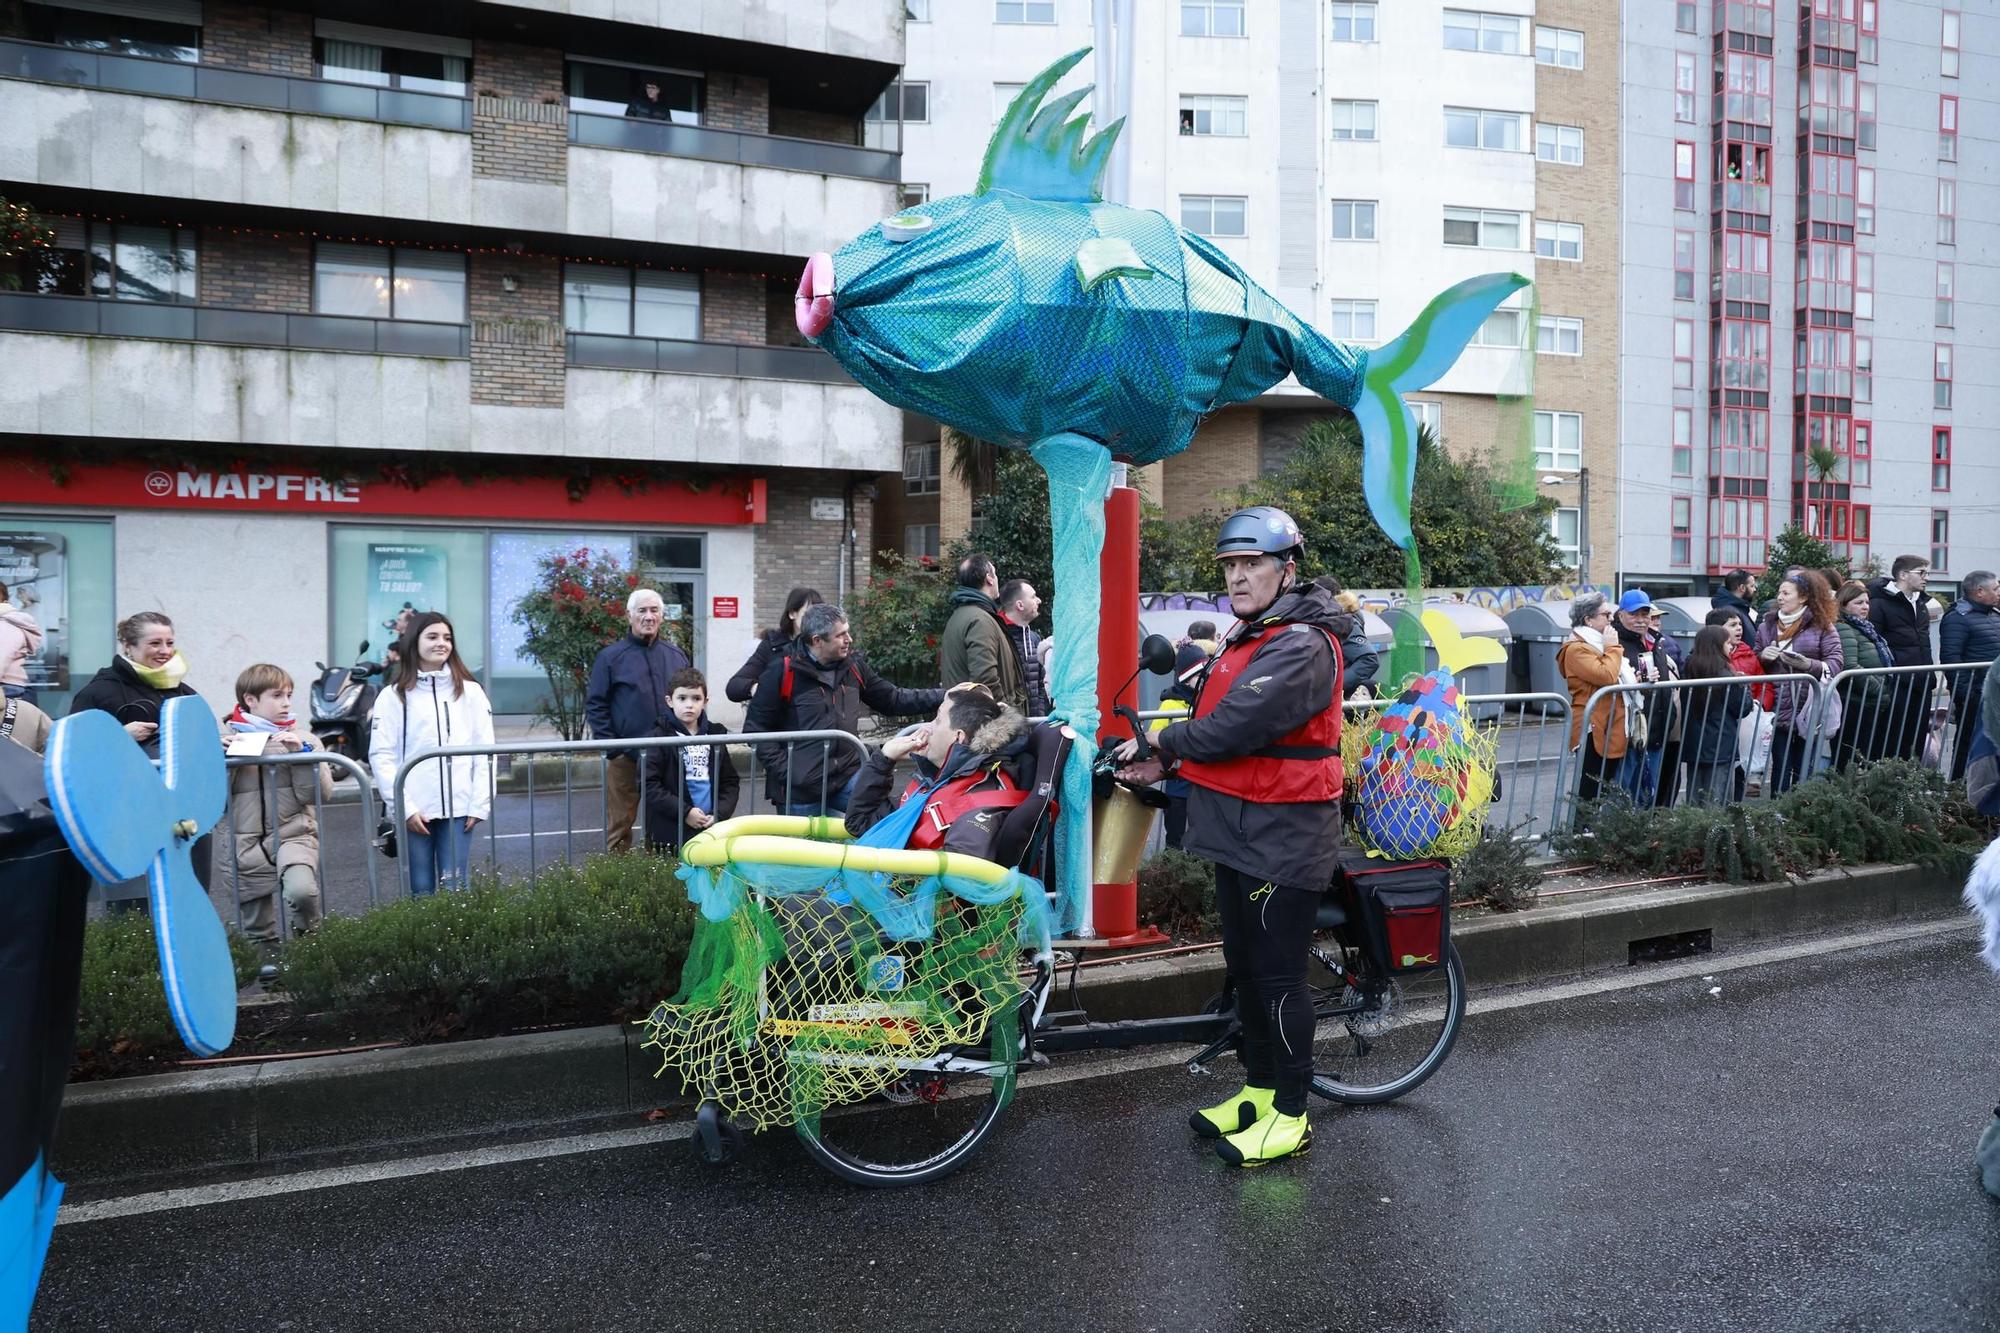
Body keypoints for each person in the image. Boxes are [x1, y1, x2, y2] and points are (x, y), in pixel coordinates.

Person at [1113, 506, 1349, 1168]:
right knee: (1246, 973)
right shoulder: (1252, 634)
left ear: (1286, 569)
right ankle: (1259, 1091)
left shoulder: (1301, 644)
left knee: (1278, 979)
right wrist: (1168, 759)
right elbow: (1218, 732)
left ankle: (1292, 1113)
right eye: (1232, 567)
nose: (1239, 578)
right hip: (1241, 829)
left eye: (1253, 565)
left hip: (1284, 833)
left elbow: (1229, 728)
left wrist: (1163, 738)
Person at [745, 603, 945, 817]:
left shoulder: (854, 667)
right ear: (817, 641)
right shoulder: (782, 672)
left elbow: (893, 699)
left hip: (848, 778)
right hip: (800, 792)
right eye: (841, 635)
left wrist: (946, 695)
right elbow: (755, 729)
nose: (849, 639)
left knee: (880, 824)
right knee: (807, 848)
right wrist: (791, 772)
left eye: (847, 632)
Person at [69, 611, 211, 899]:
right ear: (128, 646)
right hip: (129, 818)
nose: (165, 651)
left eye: (170, 643)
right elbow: (73, 751)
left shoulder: (183, 692)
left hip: (185, 814)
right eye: (155, 643)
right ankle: (131, 945)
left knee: (189, 899)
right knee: (135, 908)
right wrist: (121, 736)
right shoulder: (97, 693)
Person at [369, 613, 493, 895]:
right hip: (416, 810)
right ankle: (426, 941)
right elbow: (381, 755)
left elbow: (486, 752)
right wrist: (404, 807)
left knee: (455, 887)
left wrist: (480, 803)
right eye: (433, 637)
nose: (442, 643)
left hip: (461, 807)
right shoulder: (392, 696)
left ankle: (457, 941)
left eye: (447, 638)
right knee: (421, 890)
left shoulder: (472, 693)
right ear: (415, 642)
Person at [844, 683, 1032, 862]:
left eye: (938, 720)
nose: (926, 727)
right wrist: (884, 759)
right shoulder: (938, 781)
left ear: (958, 737)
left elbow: (962, 879)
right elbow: (860, 822)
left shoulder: (982, 794)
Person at [223, 665, 329, 960]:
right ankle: (275, 985)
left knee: (301, 892)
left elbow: (320, 796)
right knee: (258, 928)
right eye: (277, 695)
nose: (286, 703)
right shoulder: (225, 740)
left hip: (294, 835)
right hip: (244, 844)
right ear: (250, 700)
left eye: (289, 695)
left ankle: (310, 961)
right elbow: (214, 802)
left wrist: (301, 756)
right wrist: (220, 761)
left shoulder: (304, 738)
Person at [586, 589, 692, 854]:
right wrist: (614, 749)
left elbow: (689, 697)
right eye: (642, 611)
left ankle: (663, 880)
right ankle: (620, 884)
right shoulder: (610, 658)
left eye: (654, 610)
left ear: (662, 616)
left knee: (666, 823)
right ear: (629, 616)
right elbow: (596, 704)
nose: (648, 616)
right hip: (626, 760)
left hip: (668, 758)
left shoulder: (676, 656)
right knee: (620, 827)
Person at [1757, 570, 1843, 795]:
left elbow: (1835, 663)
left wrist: (1808, 666)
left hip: (1809, 707)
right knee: (1781, 768)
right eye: (1779, 593)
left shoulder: (1822, 626)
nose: (1780, 597)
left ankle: (1802, 814)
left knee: (1806, 767)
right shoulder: (1766, 626)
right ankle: (1778, 814)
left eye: (1786, 593)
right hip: (1777, 709)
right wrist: (1763, 656)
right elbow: (1754, 663)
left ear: (1803, 597)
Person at [644, 667, 739, 856]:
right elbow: (649, 784)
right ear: (669, 701)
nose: (689, 705)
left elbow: (730, 782)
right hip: (671, 831)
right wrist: (685, 812)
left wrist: (719, 814)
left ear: (705, 702)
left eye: (696, 698)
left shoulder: (714, 735)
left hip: (710, 826)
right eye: (682, 698)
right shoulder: (658, 737)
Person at [1557, 592, 1631, 807]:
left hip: (1610, 722)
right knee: (1590, 790)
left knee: (1605, 787)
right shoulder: (1576, 649)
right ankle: (1581, 836)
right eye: (1605, 614)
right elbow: (1606, 676)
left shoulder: (1598, 644)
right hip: (1592, 726)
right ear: (1588, 619)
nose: (1611, 619)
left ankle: (1594, 835)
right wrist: (1613, 647)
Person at [1867, 555, 1940, 760]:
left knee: (1916, 740)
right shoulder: (1879, 604)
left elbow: (1924, 643)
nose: (1926, 578)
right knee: (1891, 741)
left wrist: (1930, 677)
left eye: (1927, 573)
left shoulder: (1922, 603)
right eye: (1921, 573)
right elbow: (1876, 644)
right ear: (1903, 575)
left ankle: (1911, 786)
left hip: (1921, 682)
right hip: (1896, 683)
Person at [1612, 590, 1680, 807]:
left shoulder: (1656, 642)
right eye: (1634, 614)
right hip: (1631, 735)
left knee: (1647, 797)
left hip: (1657, 733)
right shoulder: (1615, 644)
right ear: (1621, 615)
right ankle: (1615, 840)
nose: (1641, 620)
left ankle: (1641, 840)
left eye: (1645, 614)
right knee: (1622, 797)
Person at [937, 553, 1025, 708]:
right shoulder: (980, 620)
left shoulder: (961, 616)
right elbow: (985, 681)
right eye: (995, 574)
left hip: (966, 718)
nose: (997, 579)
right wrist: (1006, 716)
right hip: (986, 725)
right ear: (989, 578)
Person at [1678, 627, 1753, 805]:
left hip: (1695, 743)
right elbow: (1742, 708)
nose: (1731, 647)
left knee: (1695, 796)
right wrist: (1744, 686)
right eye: (1727, 643)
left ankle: (1693, 831)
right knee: (1717, 799)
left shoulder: (1690, 667)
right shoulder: (1725, 674)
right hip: (1721, 743)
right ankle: (1715, 833)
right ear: (1717, 646)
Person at [1940, 571, 2000, 781]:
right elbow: (1951, 658)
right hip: (1976, 695)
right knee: (1969, 744)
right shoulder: (1957, 618)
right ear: (1980, 592)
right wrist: (1965, 694)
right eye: (1996, 588)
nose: (1999, 592)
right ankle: (1959, 789)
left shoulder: (1994, 614)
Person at [1833, 580, 1894, 770]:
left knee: (1867, 758)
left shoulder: (1865, 627)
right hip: (1856, 703)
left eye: (1867, 602)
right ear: (1843, 604)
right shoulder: (1844, 627)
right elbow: (1850, 666)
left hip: (1869, 702)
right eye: (1858, 603)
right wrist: (1878, 689)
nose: (1865, 607)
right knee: (1851, 760)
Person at [725, 587, 822, 705]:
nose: (814, 621)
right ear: (792, 613)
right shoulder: (772, 646)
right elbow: (734, 686)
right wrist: (759, 689)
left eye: (818, 615)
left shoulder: (826, 644)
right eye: (808, 614)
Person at [1313, 576, 1380, 699]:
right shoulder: (1331, 618)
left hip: (1337, 700)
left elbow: (1369, 659)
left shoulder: (1344, 622)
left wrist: (1335, 686)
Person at [996, 579, 1050, 717]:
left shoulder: (1034, 638)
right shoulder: (997, 637)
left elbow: (1040, 684)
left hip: (1034, 724)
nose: (1038, 601)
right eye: (1033, 597)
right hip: (1007, 725)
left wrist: (1040, 718)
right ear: (1019, 605)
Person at [0, 582, 43, 703]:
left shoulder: (6, 624)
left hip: (7, 687)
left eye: (22, 593)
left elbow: (1, 658)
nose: (20, 596)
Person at [1710, 569, 1760, 647]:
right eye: (1752, 586)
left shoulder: (1739, 608)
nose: (1755, 589)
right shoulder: (1730, 611)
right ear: (1742, 587)